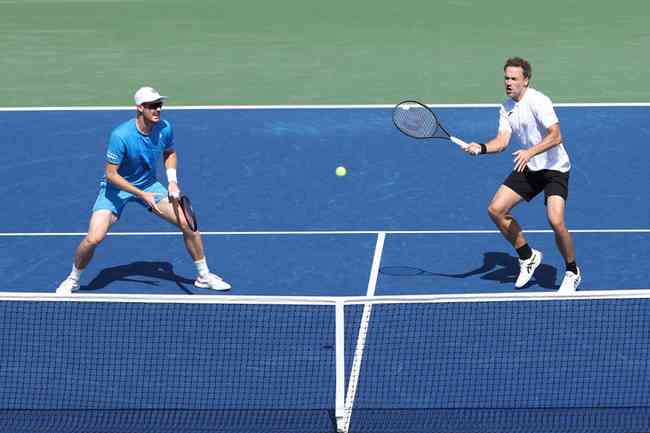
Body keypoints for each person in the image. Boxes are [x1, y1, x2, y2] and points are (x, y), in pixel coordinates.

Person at [56, 86, 231, 294]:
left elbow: (170, 152)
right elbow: (111, 174)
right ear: (140, 108)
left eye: (159, 105)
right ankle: (73, 279)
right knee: (94, 237)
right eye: (152, 106)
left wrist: (172, 181)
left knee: (188, 224)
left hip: (149, 184)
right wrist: (141, 194)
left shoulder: (165, 128)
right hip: (116, 189)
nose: (157, 110)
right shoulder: (121, 135)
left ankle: (204, 276)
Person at [464, 57, 581, 293]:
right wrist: (482, 147)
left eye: (513, 78)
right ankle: (527, 256)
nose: (508, 83)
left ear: (525, 80)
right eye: (506, 78)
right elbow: (502, 141)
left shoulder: (538, 101)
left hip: (555, 168)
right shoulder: (506, 108)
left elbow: (556, 136)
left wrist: (530, 152)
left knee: (555, 220)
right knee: (496, 210)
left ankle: (572, 271)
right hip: (529, 166)